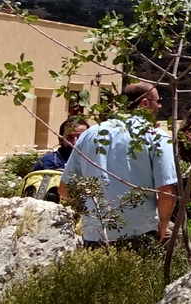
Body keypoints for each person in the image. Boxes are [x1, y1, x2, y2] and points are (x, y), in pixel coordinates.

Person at [63, 81, 179, 245]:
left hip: (94, 233)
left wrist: (91, 211)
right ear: (144, 103)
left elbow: (65, 189)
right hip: (139, 232)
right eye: (158, 101)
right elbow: (166, 191)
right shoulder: (156, 136)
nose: (160, 106)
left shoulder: (91, 134)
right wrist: (163, 224)